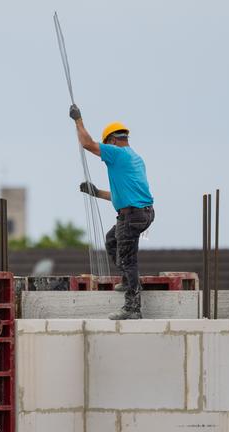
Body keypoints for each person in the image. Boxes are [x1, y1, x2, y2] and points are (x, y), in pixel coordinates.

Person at [69, 104, 154, 320]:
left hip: (132, 216)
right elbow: (123, 196)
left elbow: (87, 143)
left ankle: (133, 307)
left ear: (112, 141)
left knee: (128, 259)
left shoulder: (116, 153)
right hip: (142, 212)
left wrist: (78, 120)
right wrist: (96, 192)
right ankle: (128, 280)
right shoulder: (135, 157)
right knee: (111, 241)